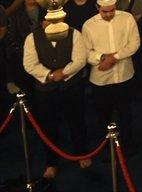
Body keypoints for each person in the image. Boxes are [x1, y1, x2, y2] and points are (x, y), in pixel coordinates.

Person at [24, 11, 89, 179]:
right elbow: (29, 64)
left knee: (77, 122)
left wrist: (64, 72)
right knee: (48, 126)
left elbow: (80, 59)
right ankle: (51, 162)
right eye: (48, 21)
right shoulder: (32, 38)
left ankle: (82, 153)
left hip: (71, 87)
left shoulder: (74, 34)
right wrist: (50, 75)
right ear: (42, 23)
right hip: (45, 90)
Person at [83, 0, 140, 142]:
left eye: (112, 11)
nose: (108, 14)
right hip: (100, 79)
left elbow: (134, 43)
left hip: (124, 76)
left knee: (126, 114)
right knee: (103, 116)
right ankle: (105, 146)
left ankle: (127, 146)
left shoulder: (127, 19)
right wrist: (102, 57)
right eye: (104, 11)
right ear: (97, 8)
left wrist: (113, 58)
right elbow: (86, 52)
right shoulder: (89, 25)